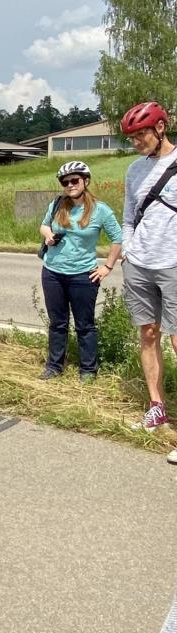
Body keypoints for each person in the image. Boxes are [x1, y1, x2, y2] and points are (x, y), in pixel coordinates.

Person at [119, 101, 177, 441]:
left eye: (141, 134)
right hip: (139, 263)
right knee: (149, 334)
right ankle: (157, 408)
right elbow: (129, 217)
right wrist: (128, 250)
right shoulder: (134, 170)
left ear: (160, 128)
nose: (136, 142)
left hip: (173, 264)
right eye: (131, 137)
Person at [37, 161, 122, 381]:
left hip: (83, 275)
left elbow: (118, 238)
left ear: (86, 181)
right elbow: (44, 225)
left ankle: (88, 370)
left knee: (85, 325)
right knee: (58, 323)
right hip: (53, 272)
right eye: (65, 182)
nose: (70, 185)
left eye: (74, 180)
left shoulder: (101, 210)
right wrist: (48, 235)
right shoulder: (58, 204)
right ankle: (54, 366)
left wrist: (107, 266)